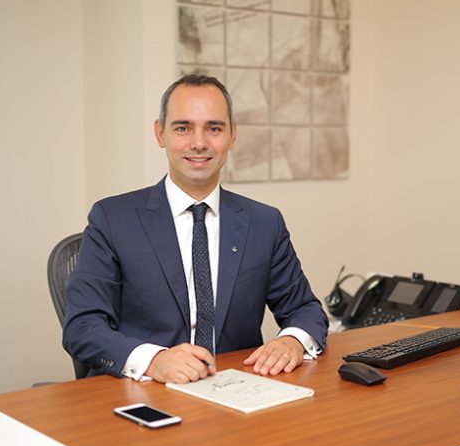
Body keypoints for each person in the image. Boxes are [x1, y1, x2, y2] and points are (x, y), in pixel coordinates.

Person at [62, 74, 328, 384]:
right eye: (183, 128)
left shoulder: (264, 223)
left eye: (214, 128)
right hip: (146, 391)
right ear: (160, 133)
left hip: (237, 391)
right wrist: (153, 361)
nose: (199, 143)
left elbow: (305, 309)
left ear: (232, 135)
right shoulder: (113, 219)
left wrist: (292, 340)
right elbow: (82, 327)